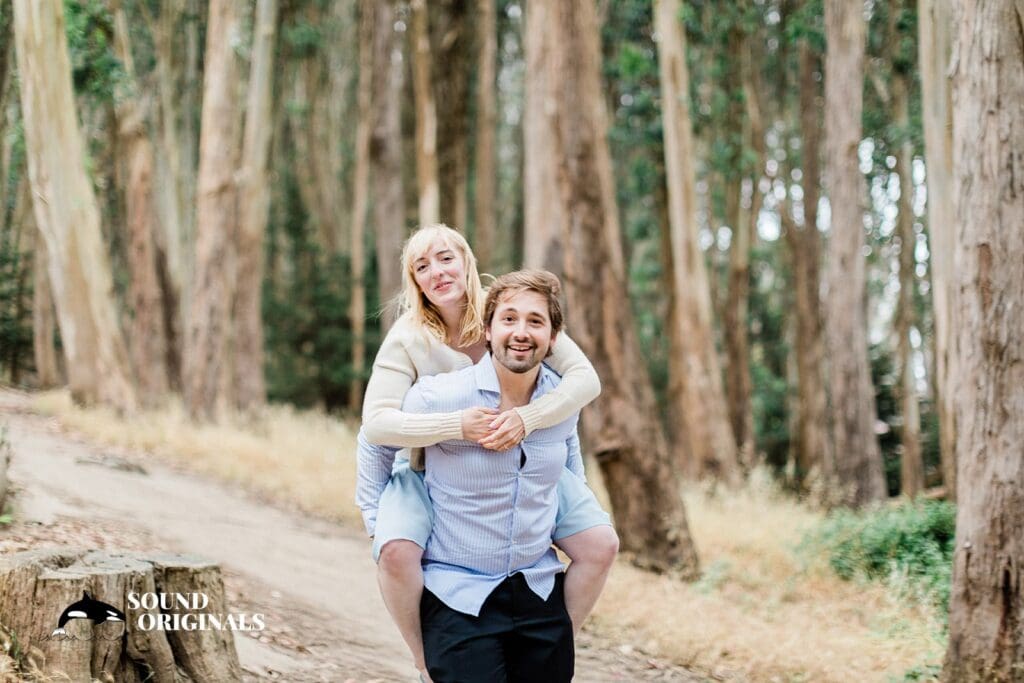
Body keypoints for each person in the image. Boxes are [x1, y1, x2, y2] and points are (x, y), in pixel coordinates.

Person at [355, 225, 618, 680]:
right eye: (422, 266)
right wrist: (456, 427)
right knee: (395, 551)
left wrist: (528, 421)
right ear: (414, 281)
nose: (437, 272)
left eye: (446, 258)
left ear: (467, 262)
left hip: (532, 453)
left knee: (601, 543)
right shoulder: (409, 337)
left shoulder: (511, 312)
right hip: (431, 461)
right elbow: (375, 427)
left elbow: (580, 388)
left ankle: (555, 638)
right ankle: (424, 657)